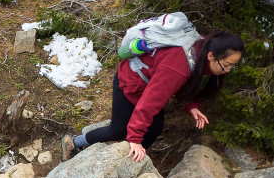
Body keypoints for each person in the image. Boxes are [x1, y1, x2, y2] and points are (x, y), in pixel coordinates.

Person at [61, 30, 244, 162]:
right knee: (118, 130)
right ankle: (73, 143)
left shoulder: (201, 48)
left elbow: (183, 80)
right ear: (212, 56)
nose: (227, 70)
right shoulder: (178, 66)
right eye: (226, 65)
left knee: (155, 127)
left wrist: (191, 105)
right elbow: (150, 102)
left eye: (232, 66)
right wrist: (134, 138)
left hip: (149, 81)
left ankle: (132, 159)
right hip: (131, 80)